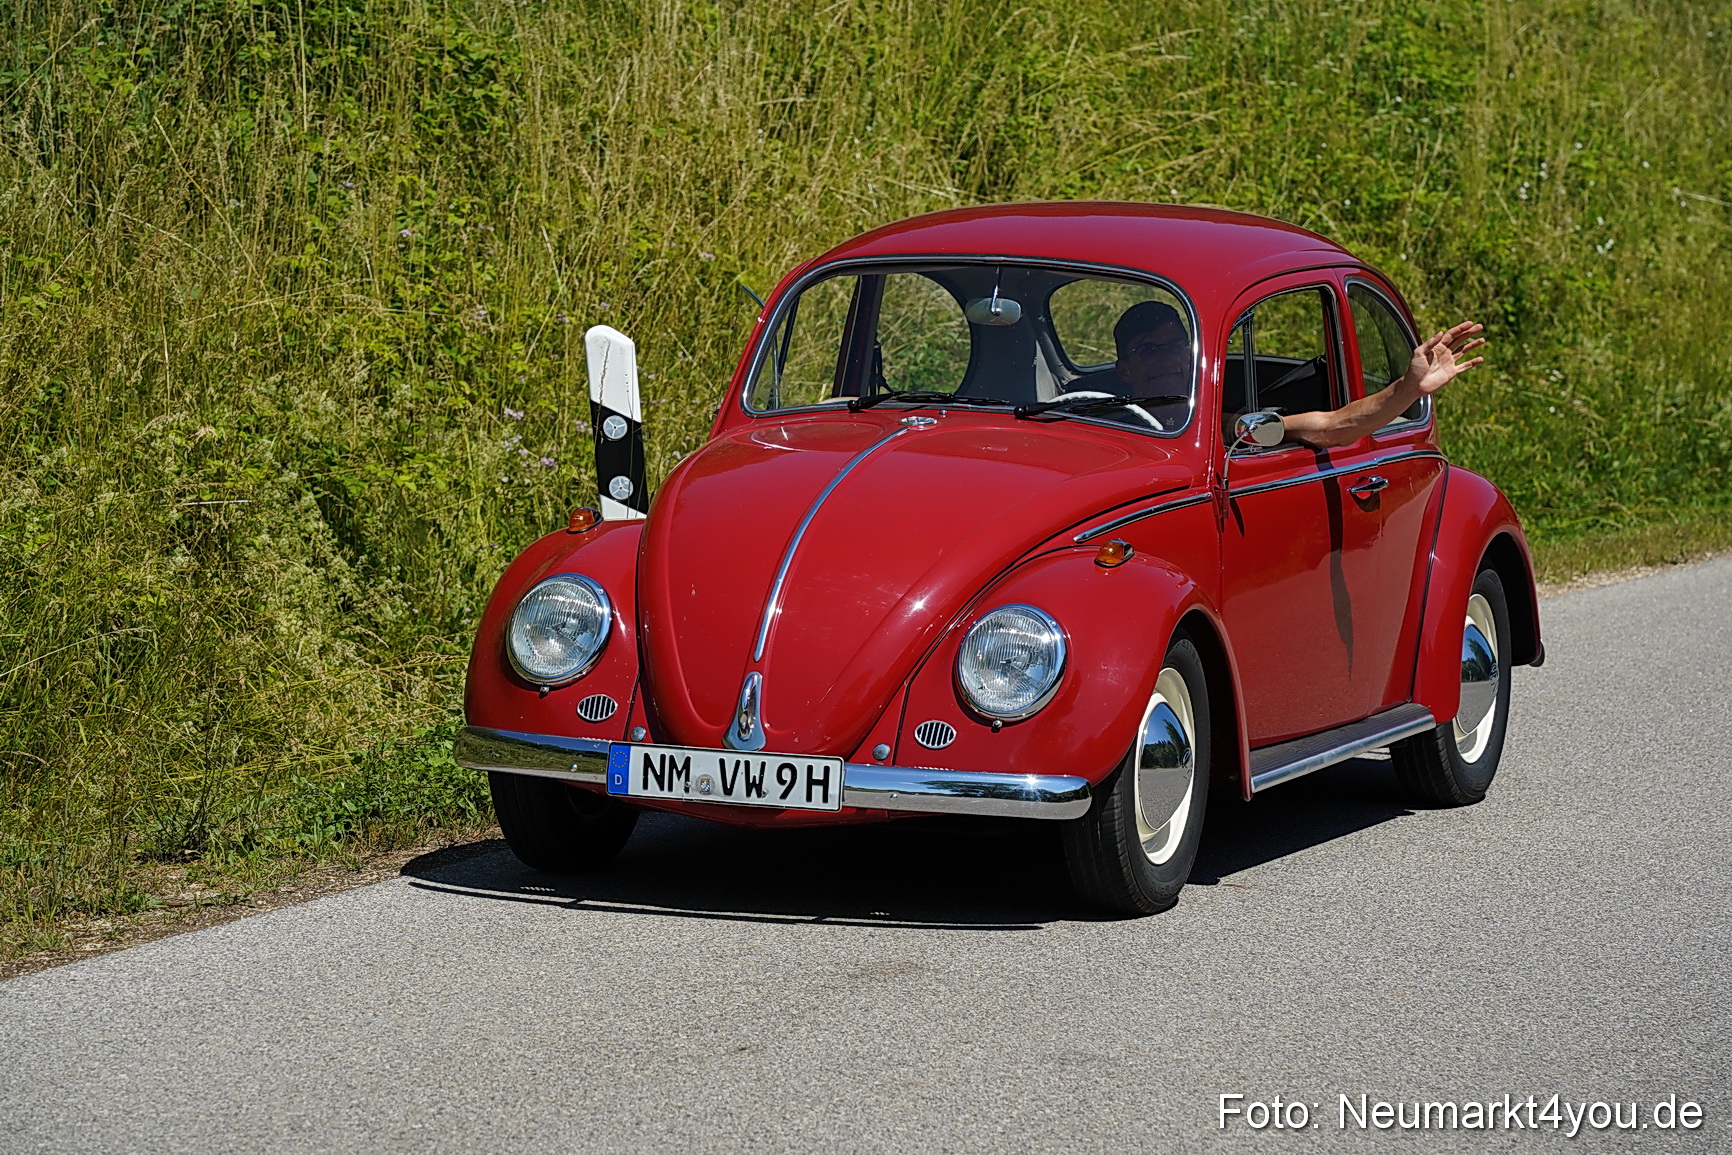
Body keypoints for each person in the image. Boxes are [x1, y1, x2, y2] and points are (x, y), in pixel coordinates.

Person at [1112, 302, 1486, 448]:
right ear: (1124, 370)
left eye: (1176, 345)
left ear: (1191, 356)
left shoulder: (1218, 427)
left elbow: (1331, 426)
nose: (1167, 358)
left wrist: (1408, 389)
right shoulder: (1103, 419)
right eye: (1148, 350)